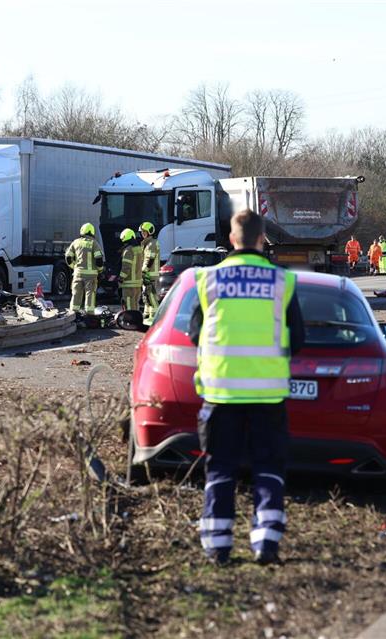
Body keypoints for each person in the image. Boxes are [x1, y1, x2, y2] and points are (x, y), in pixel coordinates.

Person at [188, 208, 305, 566]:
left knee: (220, 470)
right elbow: (298, 340)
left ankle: (217, 546)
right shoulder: (282, 282)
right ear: (261, 239)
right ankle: (266, 543)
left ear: (231, 239)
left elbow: (195, 334)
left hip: (221, 393)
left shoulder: (208, 280)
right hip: (267, 395)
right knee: (268, 469)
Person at [65, 223, 104, 315]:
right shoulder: (94, 243)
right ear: (92, 232)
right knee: (90, 295)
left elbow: (68, 257)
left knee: (76, 294)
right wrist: (100, 269)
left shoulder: (75, 242)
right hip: (91, 276)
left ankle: (73, 314)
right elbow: (99, 259)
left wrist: (74, 267)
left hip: (77, 274)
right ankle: (89, 315)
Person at [117, 228, 144, 311]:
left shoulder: (128, 250)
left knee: (128, 305)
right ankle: (136, 318)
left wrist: (121, 278)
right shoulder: (139, 249)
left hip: (128, 284)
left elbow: (126, 267)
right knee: (135, 304)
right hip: (138, 283)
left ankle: (130, 318)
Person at [140, 221, 160, 325]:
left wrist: (144, 270)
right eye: (142, 232)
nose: (142, 234)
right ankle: (147, 314)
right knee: (146, 295)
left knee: (151, 296)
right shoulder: (147, 243)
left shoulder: (152, 244)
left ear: (149, 232)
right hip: (147, 273)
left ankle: (155, 316)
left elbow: (150, 259)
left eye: (144, 232)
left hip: (150, 274)